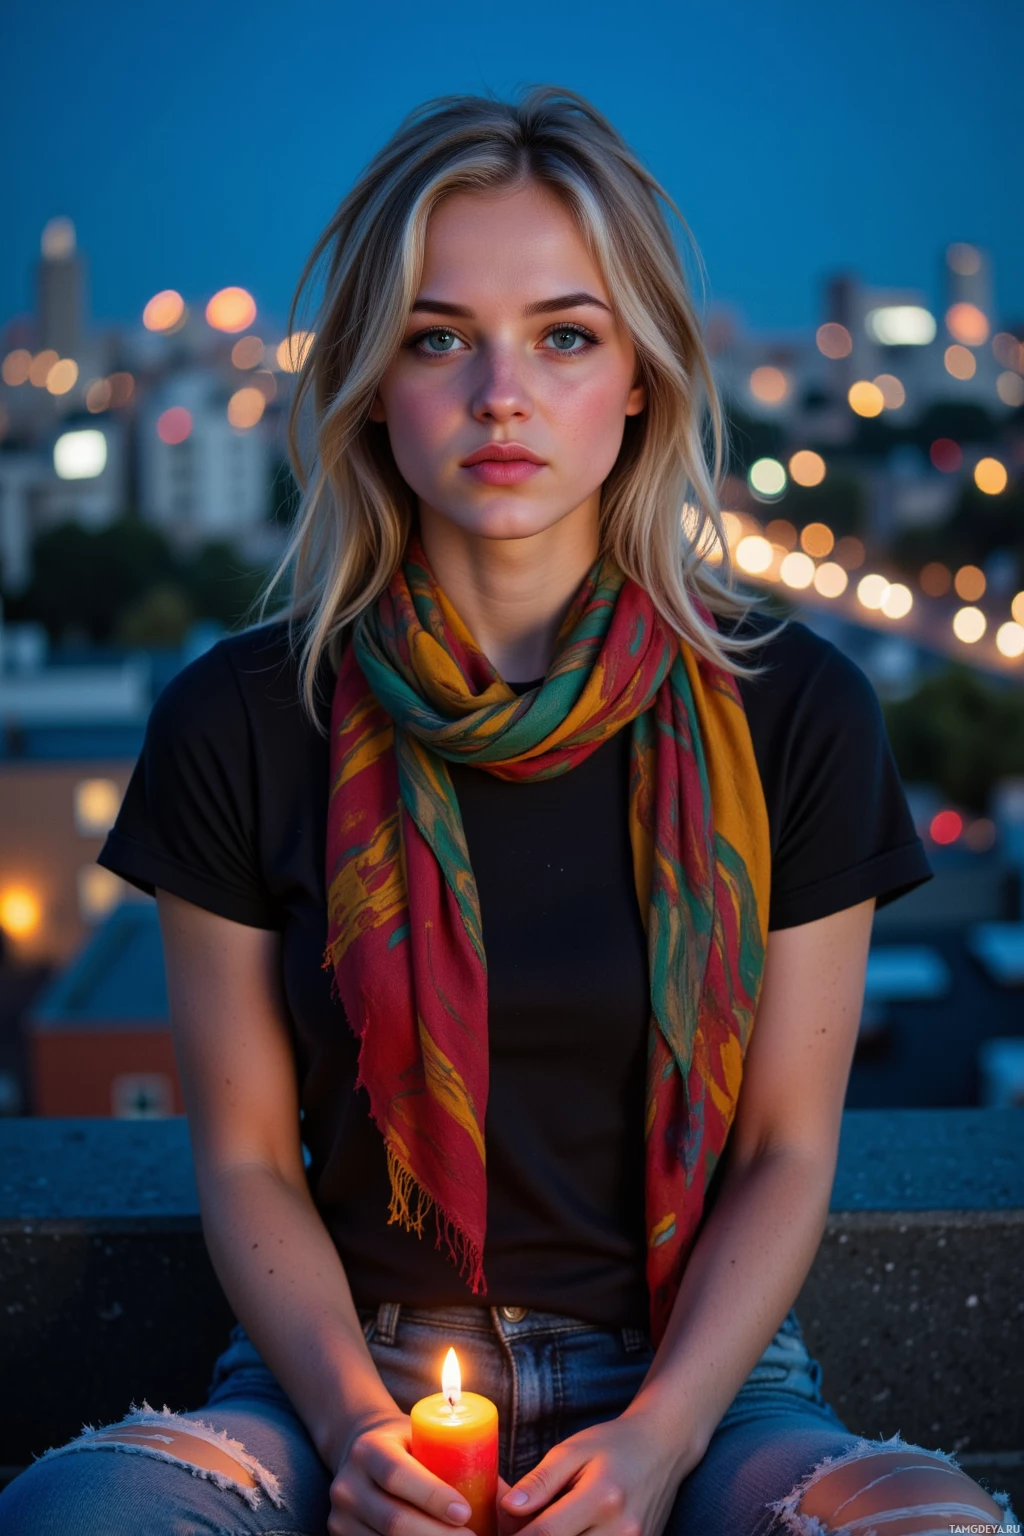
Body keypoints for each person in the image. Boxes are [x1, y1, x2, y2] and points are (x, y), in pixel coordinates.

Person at [1, 86, 1017, 1536]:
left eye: (565, 335)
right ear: (368, 381)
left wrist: (659, 1442)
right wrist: (359, 1432)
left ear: (644, 378)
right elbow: (239, 1156)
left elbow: (789, 1149)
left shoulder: (791, 710)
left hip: (707, 1383)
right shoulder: (239, 720)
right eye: (437, 338)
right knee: (80, 1513)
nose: (501, 394)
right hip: (332, 1378)